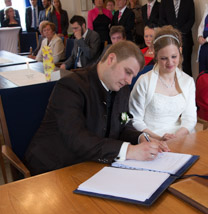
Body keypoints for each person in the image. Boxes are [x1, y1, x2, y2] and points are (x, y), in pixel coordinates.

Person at [25, 41, 169, 176]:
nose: (129, 81)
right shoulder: (70, 86)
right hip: (54, 168)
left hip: (95, 166)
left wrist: (141, 138)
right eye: (127, 72)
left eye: (133, 76)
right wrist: (130, 151)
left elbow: (124, 123)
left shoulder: (123, 90)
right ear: (111, 59)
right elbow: (76, 139)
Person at [129, 26, 197, 141]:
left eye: (174, 56)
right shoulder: (144, 81)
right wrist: (159, 138)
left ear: (180, 51)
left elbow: (190, 118)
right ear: (155, 55)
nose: (170, 63)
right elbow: (135, 120)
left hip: (179, 136)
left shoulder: (188, 81)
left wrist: (176, 137)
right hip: (151, 137)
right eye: (164, 58)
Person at [159, 0, 195, 76]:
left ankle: (187, 87)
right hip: (169, 40)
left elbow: (191, 19)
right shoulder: (164, 2)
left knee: (186, 66)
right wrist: (171, 32)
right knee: (170, 65)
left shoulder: (189, 1)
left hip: (185, 39)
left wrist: (179, 33)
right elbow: (162, 19)